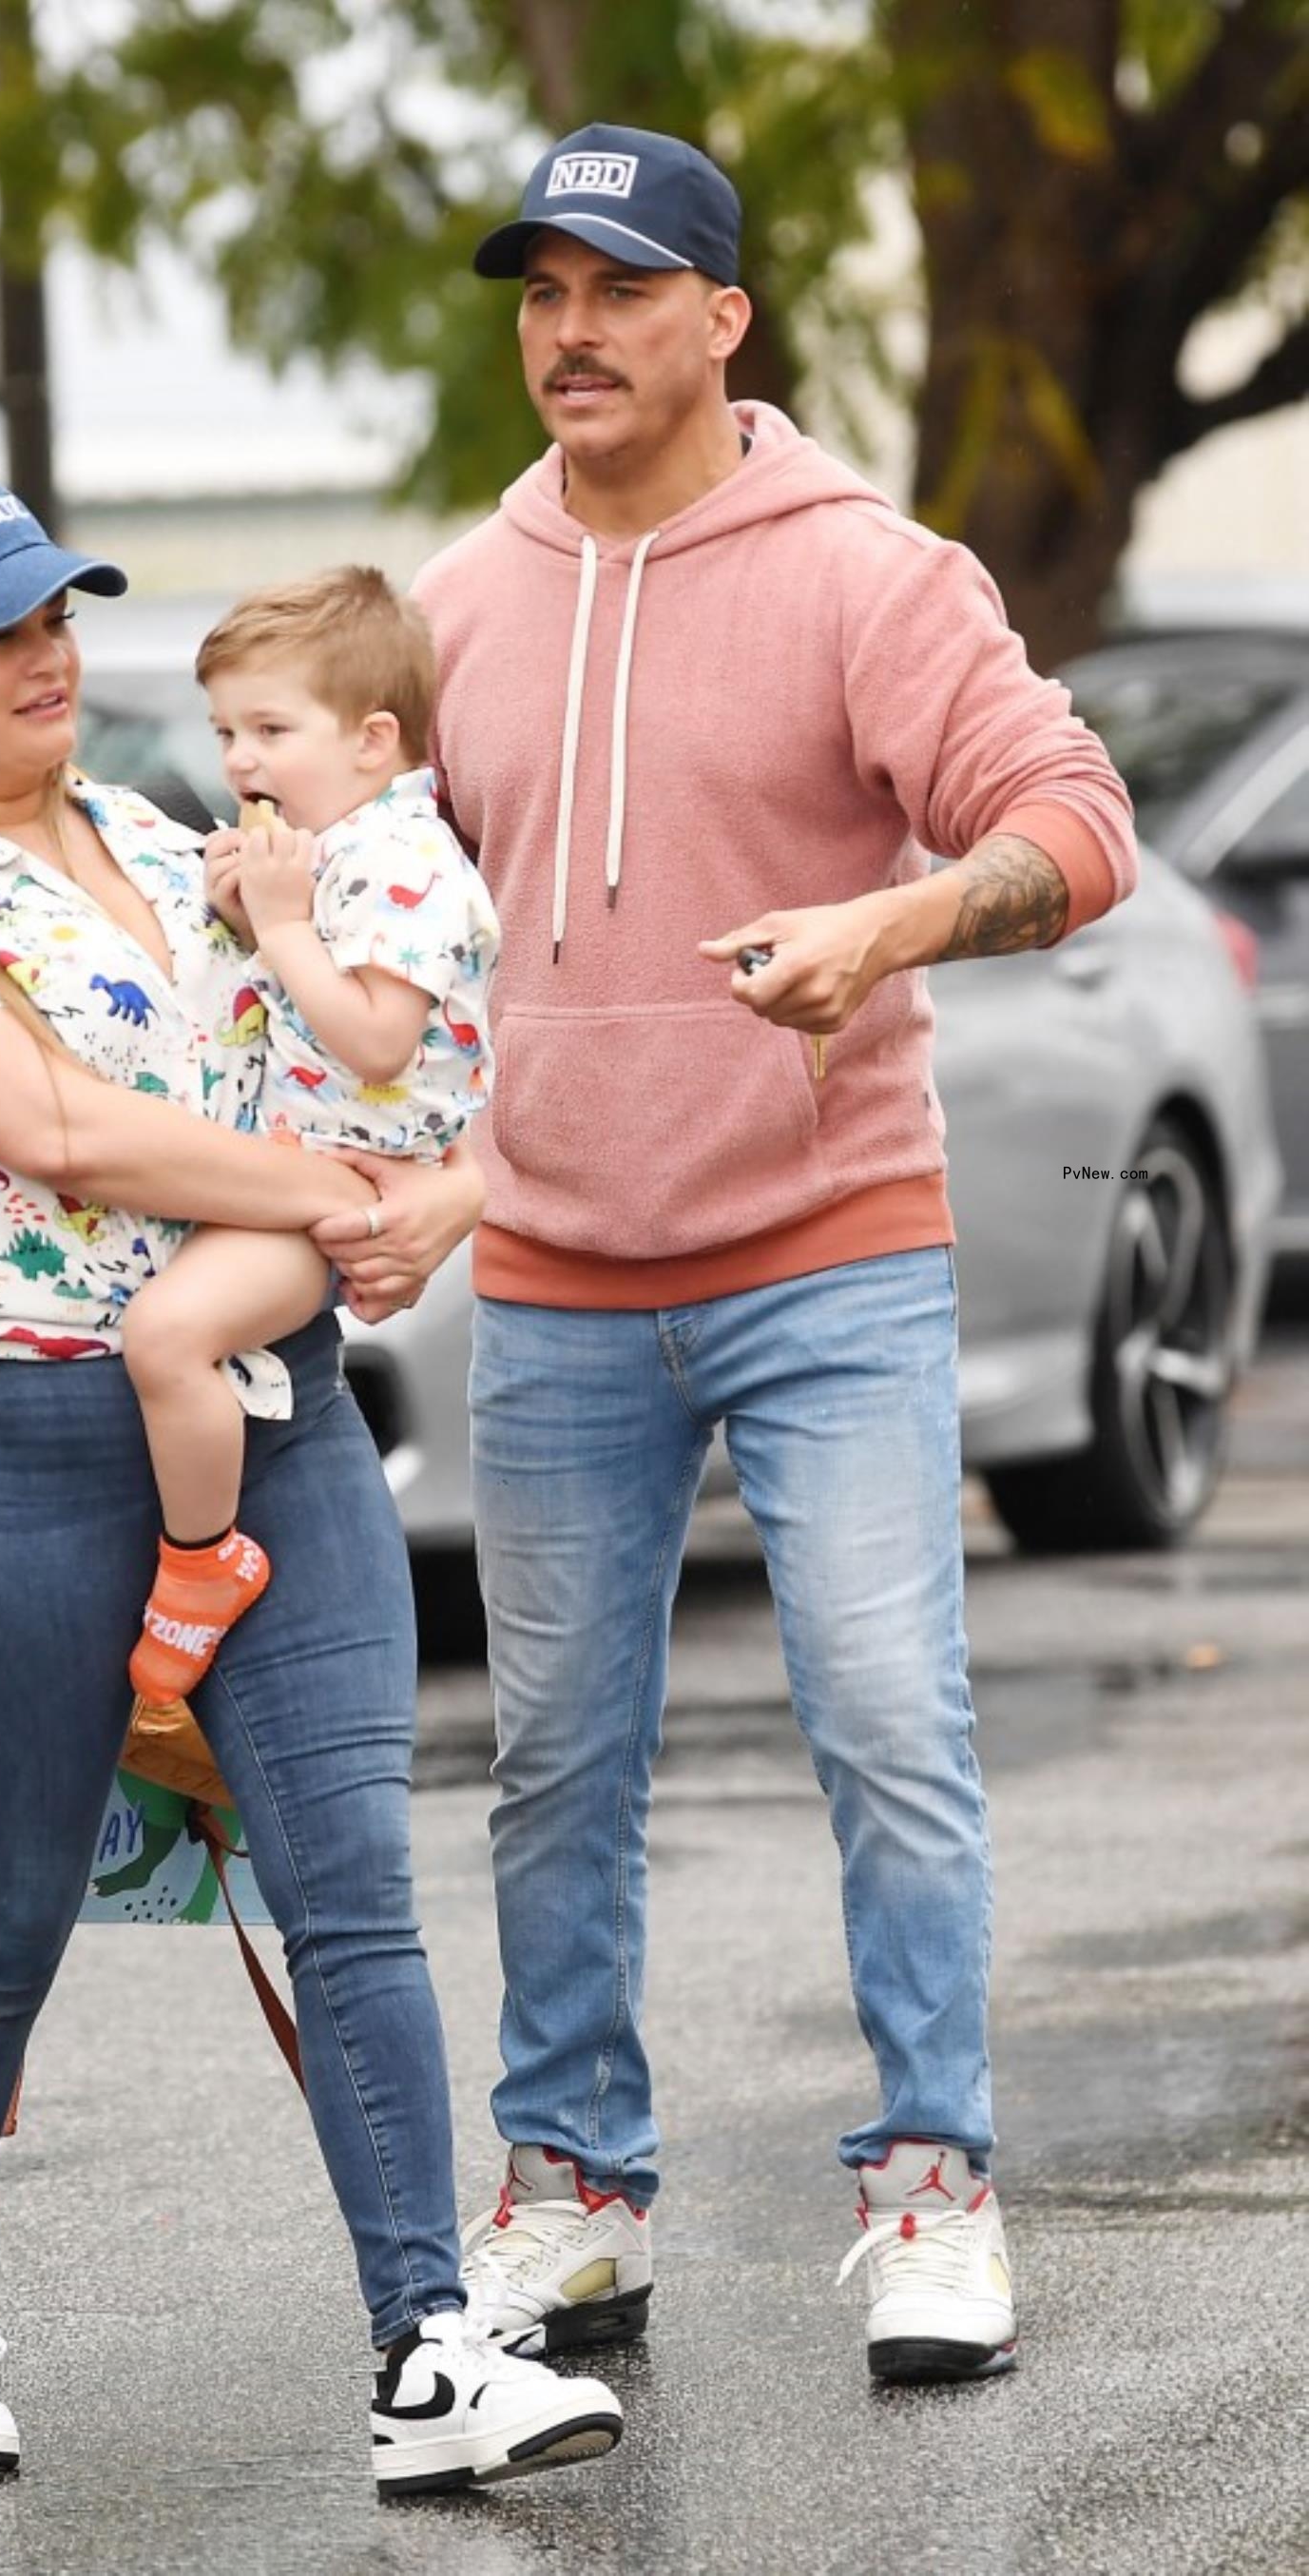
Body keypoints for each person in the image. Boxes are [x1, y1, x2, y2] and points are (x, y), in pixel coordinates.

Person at [0, 475, 623, 2491]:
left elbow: (391, 1047)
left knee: (352, 1885)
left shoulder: (190, 850)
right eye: (1, 628)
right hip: (6, 1440)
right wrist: (355, 1195)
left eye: (62, 614)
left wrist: (443, 1186)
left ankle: (425, 2339)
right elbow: (73, 1136)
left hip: (276, 1405)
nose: (52, 655)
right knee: (2, 1911)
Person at [411, 126, 1138, 2383]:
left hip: (829, 1252)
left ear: (723, 318)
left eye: (618, 289)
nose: (570, 331)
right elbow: (395, 938)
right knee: (556, 1758)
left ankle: (932, 2195)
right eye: (539, 292)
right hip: (546, 1271)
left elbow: (1074, 823)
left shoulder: (869, 578)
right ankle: (573, 2196)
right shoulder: (452, 604)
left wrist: (891, 919)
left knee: (890, 1719)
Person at [121, 567, 500, 1709]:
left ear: (374, 738)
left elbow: (379, 1040)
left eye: (271, 729)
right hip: (303, 1164)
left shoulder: (407, 863)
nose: (239, 761)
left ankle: (203, 1560)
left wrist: (280, 929)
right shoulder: (335, 851)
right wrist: (258, 920)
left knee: (168, 1338)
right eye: (225, 728)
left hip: (339, 1180)